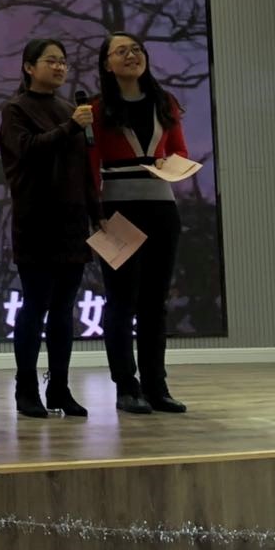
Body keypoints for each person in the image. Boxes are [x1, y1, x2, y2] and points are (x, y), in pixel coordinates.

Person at [0, 38, 100, 419]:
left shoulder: (71, 110)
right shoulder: (16, 109)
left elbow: (83, 168)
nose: (59, 67)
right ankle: (26, 388)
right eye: (51, 61)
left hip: (73, 221)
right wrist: (70, 127)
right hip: (36, 220)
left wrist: (96, 212)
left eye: (63, 62)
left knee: (63, 309)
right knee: (36, 304)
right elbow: (27, 151)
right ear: (29, 67)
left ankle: (59, 386)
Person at [90, 31, 190, 415]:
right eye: (121, 51)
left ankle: (156, 385)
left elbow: (179, 151)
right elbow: (89, 163)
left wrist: (169, 164)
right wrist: (93, 211)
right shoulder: (97, 109)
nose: (131, 56)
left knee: (155, 303)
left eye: (136, 50)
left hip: (163, 209)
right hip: (116, 210)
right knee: (121, 301)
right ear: (107, 63)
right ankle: (125, 387)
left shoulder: (165, 102)